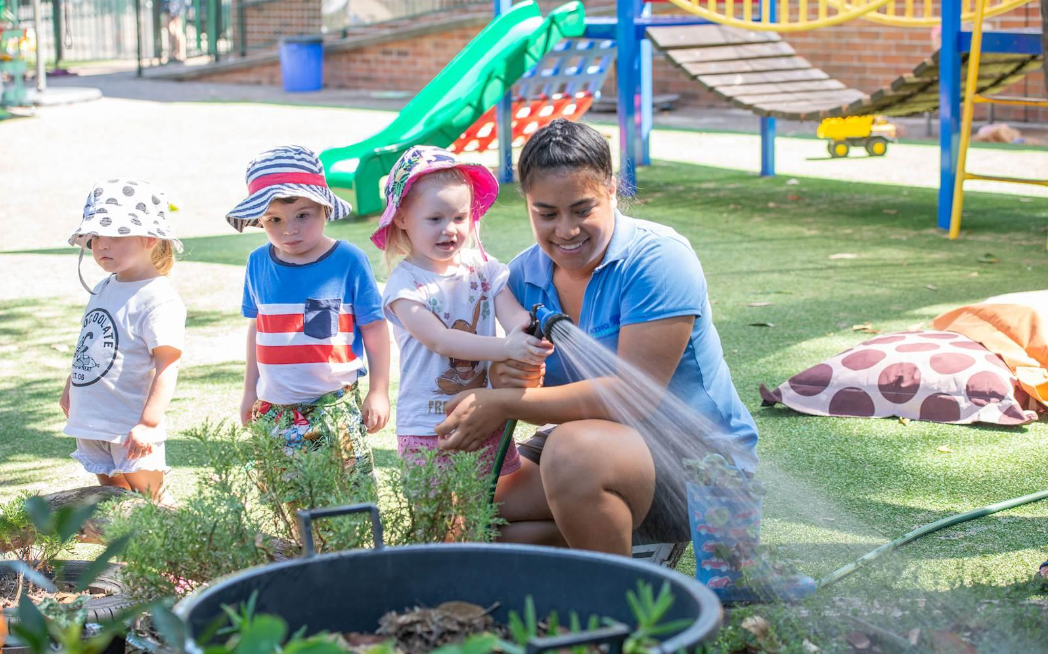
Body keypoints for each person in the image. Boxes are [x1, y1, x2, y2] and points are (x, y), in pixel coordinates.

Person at [434, 119, 759, 555]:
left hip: (695, 465)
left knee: (571, 453)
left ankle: (617, 600)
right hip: (598, 448)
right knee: (469, 510)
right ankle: (627, 544)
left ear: (610, 189)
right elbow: (521, 377)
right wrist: (506, 374)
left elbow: (634, 397)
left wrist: (505, 402)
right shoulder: (524, 276)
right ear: (527, 204)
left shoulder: (658, 259)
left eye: (582, 209)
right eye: (546, 214)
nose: (566, 230)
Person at [372, 145, 552, 474]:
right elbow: (440, 340)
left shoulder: (483, 269)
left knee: (488, 513)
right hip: (429, 426)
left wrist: (528, 333)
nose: (450, 229)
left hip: (483, 419)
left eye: (459, 217)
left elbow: (513, 316)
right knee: (437, 520)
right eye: (435, 218)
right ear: (402, 219)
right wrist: (505, 347)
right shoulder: (405, 285)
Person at [228, 145, 389, 472]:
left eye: (303, 215)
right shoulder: (257, 263)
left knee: (347, 494)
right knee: (287, 497)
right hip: (274, 408)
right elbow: (258, 327)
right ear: (260, 220)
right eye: (274, 219)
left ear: (324, 209)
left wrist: (379, 391)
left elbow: (374, 327)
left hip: (334, 406)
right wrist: (249, 390)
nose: (289, 230)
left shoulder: (348, 260)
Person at [61, 179, 186, 504]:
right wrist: (70, 387)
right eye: (97, 236)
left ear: (149, 237)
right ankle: (127, 557)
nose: (102, 245)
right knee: (114, 507)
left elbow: (167, 364)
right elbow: (91, 343)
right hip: (93, 420)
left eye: (116, 235)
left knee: (152, 509)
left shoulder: (159, 298)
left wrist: (148, 423)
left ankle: (166, 556)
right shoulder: (103, 287)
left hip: (130, 424)